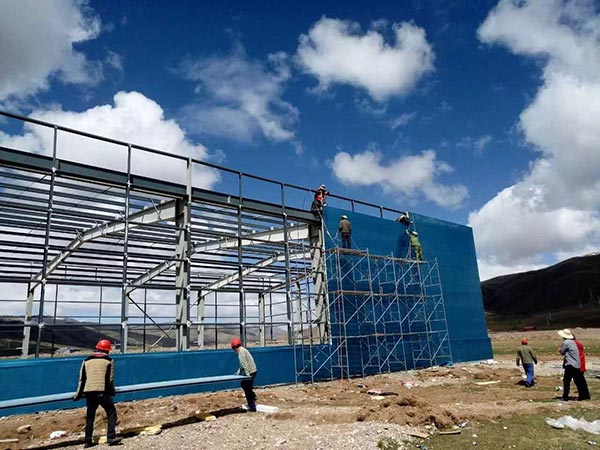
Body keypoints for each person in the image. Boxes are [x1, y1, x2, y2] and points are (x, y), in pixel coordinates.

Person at [74, 339, 122, 447]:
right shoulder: (109, 361)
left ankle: (87, 441)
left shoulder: (86, 360)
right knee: (111, 412)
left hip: (89, 392)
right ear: (107, 350)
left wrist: (78, 394)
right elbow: (110, 379)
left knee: (90, 416)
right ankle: (111, 437)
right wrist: (112, 392)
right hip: (102, 391)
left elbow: (82, 379)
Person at [558, 329, 589, 401]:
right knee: (578, 381)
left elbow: (562, 351)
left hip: (570, 364)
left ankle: (565, 396)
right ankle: (582, 396)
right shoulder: (574, 343)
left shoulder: (566, 342)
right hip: (577, 364)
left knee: (566, 381)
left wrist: (560, 350)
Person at [231, 338, 258, 412]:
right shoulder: (243, 350)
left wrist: (247, 375)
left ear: (235, 347)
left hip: (250, 372)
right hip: (253, 370)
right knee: (244, 385)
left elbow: (244, 364)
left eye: (233, 348)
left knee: (247, 390)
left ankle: (252, 407)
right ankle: (253, 396)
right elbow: (242, 364)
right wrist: (239, 372)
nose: (234, 350)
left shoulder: (241, 352)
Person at [573, 333, 591, 400]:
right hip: (581, 364)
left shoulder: (574, 345)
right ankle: (586, 395)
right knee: (582, 381)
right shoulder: (578, 344)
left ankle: (582, 396)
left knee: (579, 381)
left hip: (577, 365)